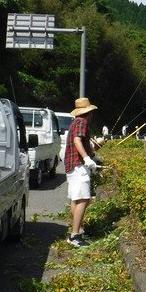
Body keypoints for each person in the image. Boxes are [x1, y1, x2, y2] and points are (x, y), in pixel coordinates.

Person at [63, 97, 102, 247]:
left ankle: (78, 230)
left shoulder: (75, 122)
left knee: (76, 198)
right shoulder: (82, 122)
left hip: (71, 164)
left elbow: (82, 144)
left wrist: (94, 157)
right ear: (89, 112)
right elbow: (77, 141)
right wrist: (86, 159)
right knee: (84, 199)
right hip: (78, 165)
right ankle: (74, 236)